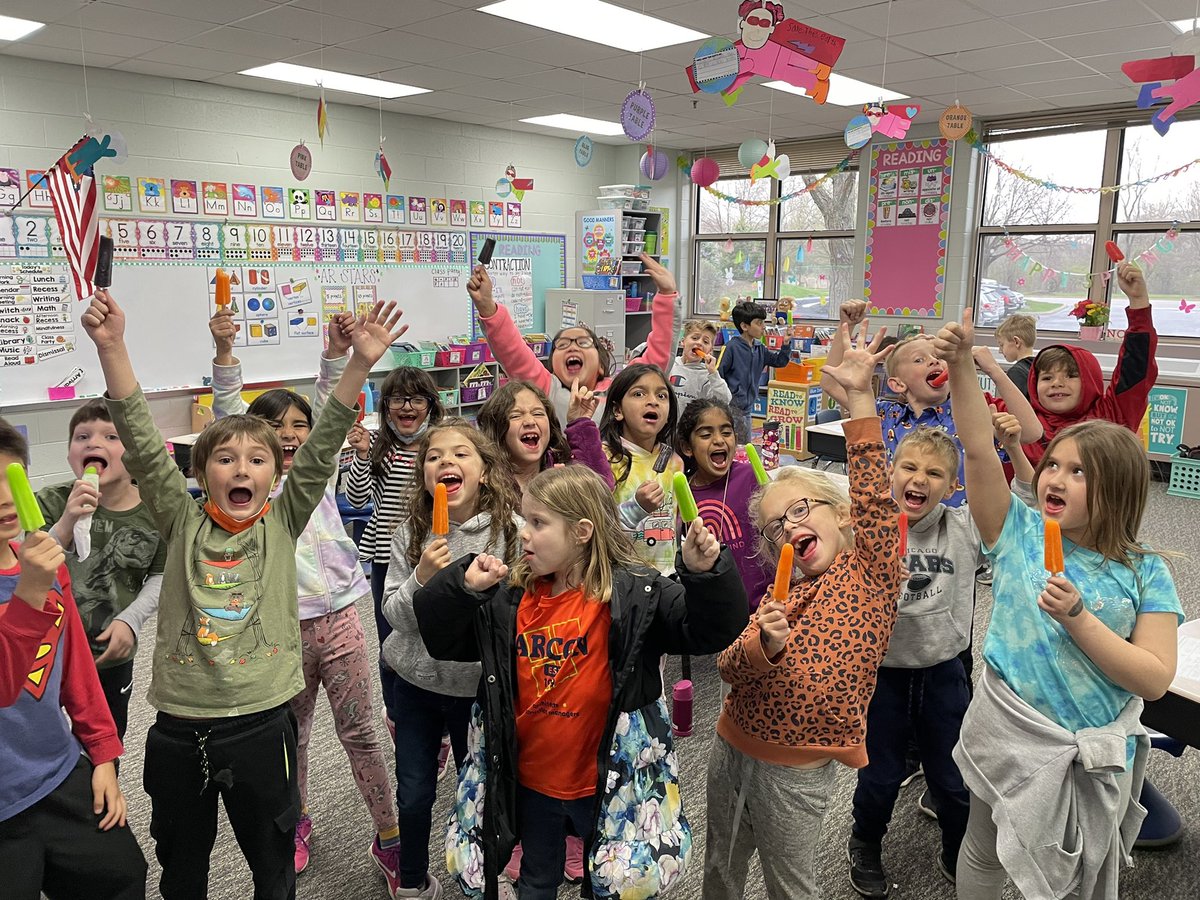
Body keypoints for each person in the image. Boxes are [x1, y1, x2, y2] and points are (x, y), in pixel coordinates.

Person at [81, 289, 404, 900]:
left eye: (258, 458)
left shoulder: (282, 521)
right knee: (181, 867)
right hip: (180, 726)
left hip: (263, 723)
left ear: (275, 473)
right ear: (201, 474)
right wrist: (113, 346)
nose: (241, 467)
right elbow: (142, 439)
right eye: (225, 458)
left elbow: (327, 435)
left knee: (272, 863)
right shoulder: (181, 520)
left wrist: (358, 364)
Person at [934, 308, 1181, 900]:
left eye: (1078, 472)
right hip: (1008, 728)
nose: (1055, 478)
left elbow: (1152, 679)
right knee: (985, 847)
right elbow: (974, 450)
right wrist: (966, 366)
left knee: (1081, 865)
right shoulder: (1017, 531)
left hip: (1089, 747)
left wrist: (1078, 618)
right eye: (1054, 466)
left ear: (1117, 490)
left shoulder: (1146, 573)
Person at [413, 464, 748, 900]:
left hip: (609, 783)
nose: (524, 533)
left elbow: (710, 631)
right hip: (530, 779)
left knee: (609, 881)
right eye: (523, 519)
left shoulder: (637, 593)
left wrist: (706, 574)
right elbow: (443, 640)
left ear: (582, 531)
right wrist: (461, 587)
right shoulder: (510, 596)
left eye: (538, 522)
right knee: (535, 880)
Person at [703, 321, 904, 900]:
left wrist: (861, 401)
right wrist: (762, 645)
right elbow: (727, 668)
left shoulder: (870, 574)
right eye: (774, 526)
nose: (788, 526)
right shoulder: (779, 593)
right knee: (720, 866)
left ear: (839, 514)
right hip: (731, 741)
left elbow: (873, 496)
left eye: (799, 511)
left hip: (799, 766)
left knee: (789, 883)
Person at [207, 308, 400, 883]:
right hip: (279, 627)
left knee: (362, 730)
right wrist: (223, 353)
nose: (290, 435)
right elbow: (226, 416)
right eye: (276, 429)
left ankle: (389, 835)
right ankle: (298, 821)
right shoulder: (253, 488)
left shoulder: (317, 469)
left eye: (298, 425)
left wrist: (336, 355)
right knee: (291, 737)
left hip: (340, 617)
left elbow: (332, 406)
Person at [1, 422, 147, 900]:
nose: (5, 498)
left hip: (58, 771)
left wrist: (102, 753)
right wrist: (29, 593)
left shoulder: (40, 559)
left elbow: (73, 665)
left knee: (122, 875)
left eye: (12, 476)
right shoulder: (35, 576)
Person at [382, 420, 523, 900]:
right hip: (416, 684)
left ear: (485, 471)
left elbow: (523, 612)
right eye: (434, 456)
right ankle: (413, 879)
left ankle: (485, 873)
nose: (446, 462)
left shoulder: (511, 532)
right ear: (423, 475)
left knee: (481, 788)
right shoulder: (410, 534)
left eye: (461, 453)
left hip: (478, 690)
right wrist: (422, 579)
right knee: (414, 792)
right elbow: (395, 618)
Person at [846, 426, 980, 897]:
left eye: (934, 472)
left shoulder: (963, 528)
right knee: (879, 775)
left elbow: (1015, 501)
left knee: (952, 775)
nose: (919, 478)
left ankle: (957, 845)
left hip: (944, 672)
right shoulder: (866, 527)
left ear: (953, 486)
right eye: (909, 467)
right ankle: (865, 840)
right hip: (881, 675)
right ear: (890, 472)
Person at [822, 300, 1042, 507]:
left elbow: (1032, 433)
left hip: (959, 535)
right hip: (899, 530)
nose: (934, 361)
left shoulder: (969, 413)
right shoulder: (887, 414)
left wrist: (994, 370)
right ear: (897, 384)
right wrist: (846, 325)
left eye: (938, 356)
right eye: (919, 360)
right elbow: (831, 384)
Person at [35, 399, 166, 741]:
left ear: (134, 455)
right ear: (69, 454)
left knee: (105, 739)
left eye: (111, 436)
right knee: (43, 738)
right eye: (82, 437)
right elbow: (29, 568)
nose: (94, 443)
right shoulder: (49, 501)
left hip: (108, 652)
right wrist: (66, 522)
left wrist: (132, 620)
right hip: (46, 650)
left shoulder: (156, 512)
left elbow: (160, 575)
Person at [345, 366, 446, 737]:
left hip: (431, 554)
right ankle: (397, 714)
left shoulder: (441, 449)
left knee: (434, 633)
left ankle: (439, 719)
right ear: (386, 407)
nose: (407, 406)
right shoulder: (379, 448)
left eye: (416, 398)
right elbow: (356, 499)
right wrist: (359, 455)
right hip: (385, 555)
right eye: (397, 399)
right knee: (390, 637)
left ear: (430, 405)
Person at [466, 253, 678, 424]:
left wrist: (667, 295)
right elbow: (512, 352)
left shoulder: (619, 389)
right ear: (552, 366)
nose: (572, 347)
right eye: (562, 344)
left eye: (583, 342)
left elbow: (658, 357)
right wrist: (487, 306)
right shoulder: (547, 388)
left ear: (601, 366)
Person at [1023, 261, 1157, 465]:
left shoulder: (1110, 414)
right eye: (1047, 377)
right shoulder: (1025, 420)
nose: (1057, 383)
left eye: (1070, 375)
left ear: (1088, 381)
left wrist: (1138, 302)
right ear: (1034, 385)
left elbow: (1136, 368)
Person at [676, 396, 768, 609]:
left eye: (726, 432)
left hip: (765, 601)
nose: (719, 440)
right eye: (706, 435)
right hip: (717, 609)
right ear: (687, 447)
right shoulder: (683, 494)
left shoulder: (751, 475)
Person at [598, 363, 682, 575]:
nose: (653, 401)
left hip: (667, 575)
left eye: (662, 396)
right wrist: (637, 507)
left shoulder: (674, 461)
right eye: (639, 393)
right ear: (617, 410)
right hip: (621, 576)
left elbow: (676, 522)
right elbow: (597, 526)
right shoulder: (605, 458)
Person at [476, 378, 613, 495]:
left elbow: (602, 488)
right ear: (496, 429)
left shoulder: (562, 471)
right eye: (515, 415)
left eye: (538, 413)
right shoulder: (484, 481)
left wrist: (580, 423)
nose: (530, 422)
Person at [718, 300, 793, 440]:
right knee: (739, 447)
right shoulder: (732, 348)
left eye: (764, 323)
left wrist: (786, 343)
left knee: (744, 446)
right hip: (731, 407)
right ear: (744, 326)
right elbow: (718, 376)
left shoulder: (759, 348)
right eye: (759, 323)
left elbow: (780, 362)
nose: (763, 327)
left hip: (747, 408)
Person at [668, 318, 732, 408]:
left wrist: (713, 373)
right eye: (695, 338)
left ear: (710, 350)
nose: (699, 343)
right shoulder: (670, 364)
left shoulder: (707, 375)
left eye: (705, 342)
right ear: (683, 341)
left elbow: (725, 400)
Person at [994, 314, 1037, 401]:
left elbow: (1015, 406)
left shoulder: (1016, 373)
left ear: (1016, 342)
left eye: (1002, 345)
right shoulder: (1040, 367)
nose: (1000, 351)